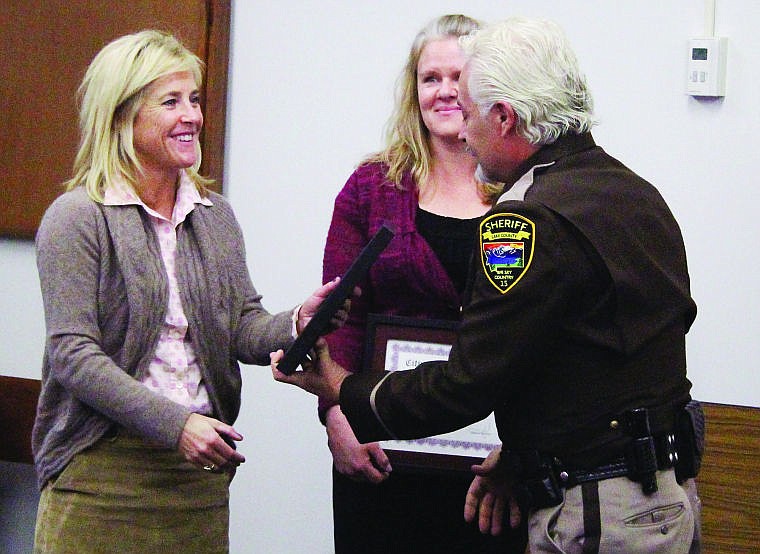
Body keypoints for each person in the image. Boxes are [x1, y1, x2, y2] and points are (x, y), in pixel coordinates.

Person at [274, 16, 703, 554]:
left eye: (471, 112)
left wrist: (339, 387)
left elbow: (467, 384)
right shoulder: (633, 192)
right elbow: (607, 350)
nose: (465, 131)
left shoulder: (524, 219)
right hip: (664, 493)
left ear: (503, 118)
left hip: (600, 511)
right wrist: (527, 448)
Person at [32, 30, 348, 553]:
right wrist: (177, 425)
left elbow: (241, 327)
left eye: (195, 100)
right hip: (100, 474)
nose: (192, 116)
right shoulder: (77, 218)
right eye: (171, 102)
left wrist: (298, 321)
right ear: (122, 115)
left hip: (197, 478)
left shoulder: (214, 216)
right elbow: (74, 356)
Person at [317, 14, 526, 554]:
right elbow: (341, 319)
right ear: (413, 91)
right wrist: (337, 415)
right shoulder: (372, 187)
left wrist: (525, 448)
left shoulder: (526, 192)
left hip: (493, 465)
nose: (445, 92)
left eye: (460, 77)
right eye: (431, 78)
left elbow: (544, 330)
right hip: (382, 449)